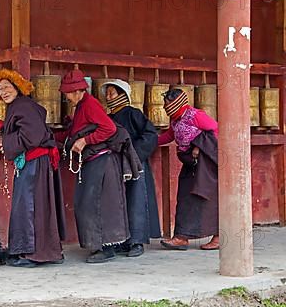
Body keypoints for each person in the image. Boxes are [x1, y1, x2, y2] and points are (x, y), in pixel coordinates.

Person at [0, 69, 66, 268]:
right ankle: (34, 251)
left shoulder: (23, 106)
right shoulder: (19, 107)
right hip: (34, 163)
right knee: (34, 205)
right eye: (0, 88)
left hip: (35, 163)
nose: (4, 91)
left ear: (18, 88)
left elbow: (33, 135)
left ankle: (34, 254)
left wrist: (7, 139)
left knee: (30, 205)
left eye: (7, 86)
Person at [56, 69, 129, 263]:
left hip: (101, 161)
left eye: (68, 93)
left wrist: (86, 141)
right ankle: (98, 245)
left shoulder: (90, 104)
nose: (67, 97)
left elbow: (109, 128)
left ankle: (105, 248)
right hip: (91, 161)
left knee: (96, 204)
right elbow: (74, 132)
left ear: (78, 91)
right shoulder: (79, 107)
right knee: (86, 203)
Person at [101, 80, 161, 257]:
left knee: (136, 200)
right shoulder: (108, 118)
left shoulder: (134, 114)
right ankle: (122, 240)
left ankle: (137, 241)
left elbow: (150, 135)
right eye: (108, 93)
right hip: (115, 165)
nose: (109, 97)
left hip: (136, 163)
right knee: (118, 202)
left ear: (123, 95)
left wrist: (133, 153)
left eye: (113, 93)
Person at [158, 89, 220, 251]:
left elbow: (216, 130)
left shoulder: (195, 115)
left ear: (176, 103)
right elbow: (169, 136)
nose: (165, 107)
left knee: (208, 198)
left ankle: (219, 236)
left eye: (167, 104)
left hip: (206, 163)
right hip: (190, 164)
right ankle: (181, 237)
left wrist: (199, 147)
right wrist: (149, 142)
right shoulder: (175, 120)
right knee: (184, 197)